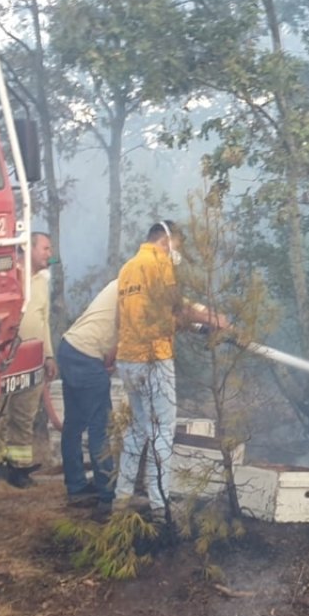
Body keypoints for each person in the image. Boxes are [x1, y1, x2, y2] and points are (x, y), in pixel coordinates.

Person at [112, 220, 228, 524]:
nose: (178, 252)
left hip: (128, 358)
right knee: (163, 432)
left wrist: (196, 325)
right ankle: (160, 505)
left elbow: (137, 315)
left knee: (138, 430)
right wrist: (213, 318)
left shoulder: (128, 268)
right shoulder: (159, 262)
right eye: (178, 245)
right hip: (155, 358)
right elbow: (177, 307)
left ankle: (121, 498)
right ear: (166, 240)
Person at [0, 232, 57, 489]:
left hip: (32, 360)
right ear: (27, 250)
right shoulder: (5, 279)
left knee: (24, 416)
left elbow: (44, 321)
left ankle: (18, 471)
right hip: (1, 358)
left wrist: (48, 355)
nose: (49, 254)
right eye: (46, 248)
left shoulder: (41, 282)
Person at [57, 279, 118, 511]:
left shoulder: (118, 283)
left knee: (74, 423)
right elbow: (125, 328)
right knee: (100, 426)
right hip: (89, 355)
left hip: (69, 347)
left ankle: (76, 487)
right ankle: (106, 495)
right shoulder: (137, 288)